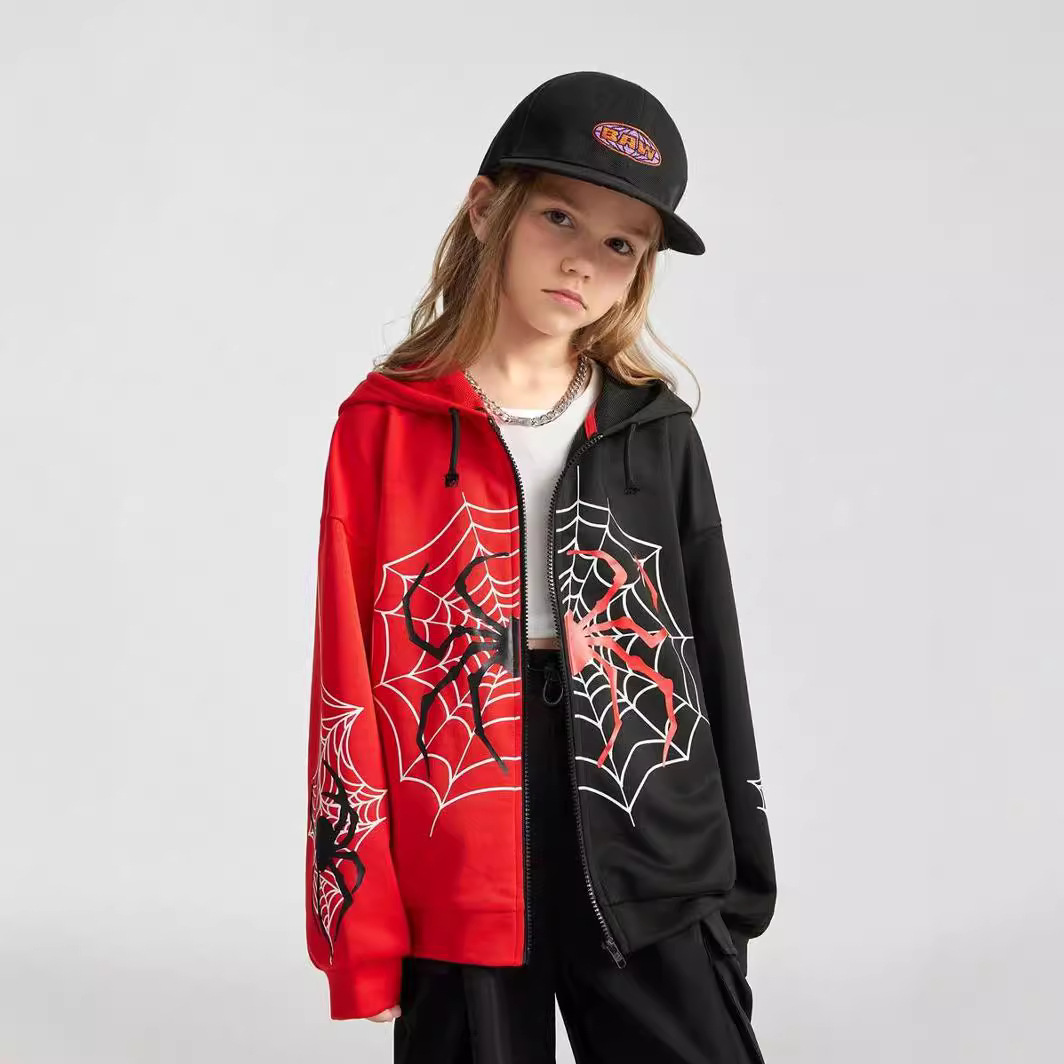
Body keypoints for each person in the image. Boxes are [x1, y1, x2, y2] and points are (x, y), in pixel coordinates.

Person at [305, 70, 777, 1063]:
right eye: (559, 216)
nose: (582, 262)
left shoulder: (654, 430)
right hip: (460, 820)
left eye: (621, 244)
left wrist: (738, 888)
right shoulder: (382, 424)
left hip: (644, 813)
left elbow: (711, 653)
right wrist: (359, 926)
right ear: (487, 208)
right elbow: (345, 680)